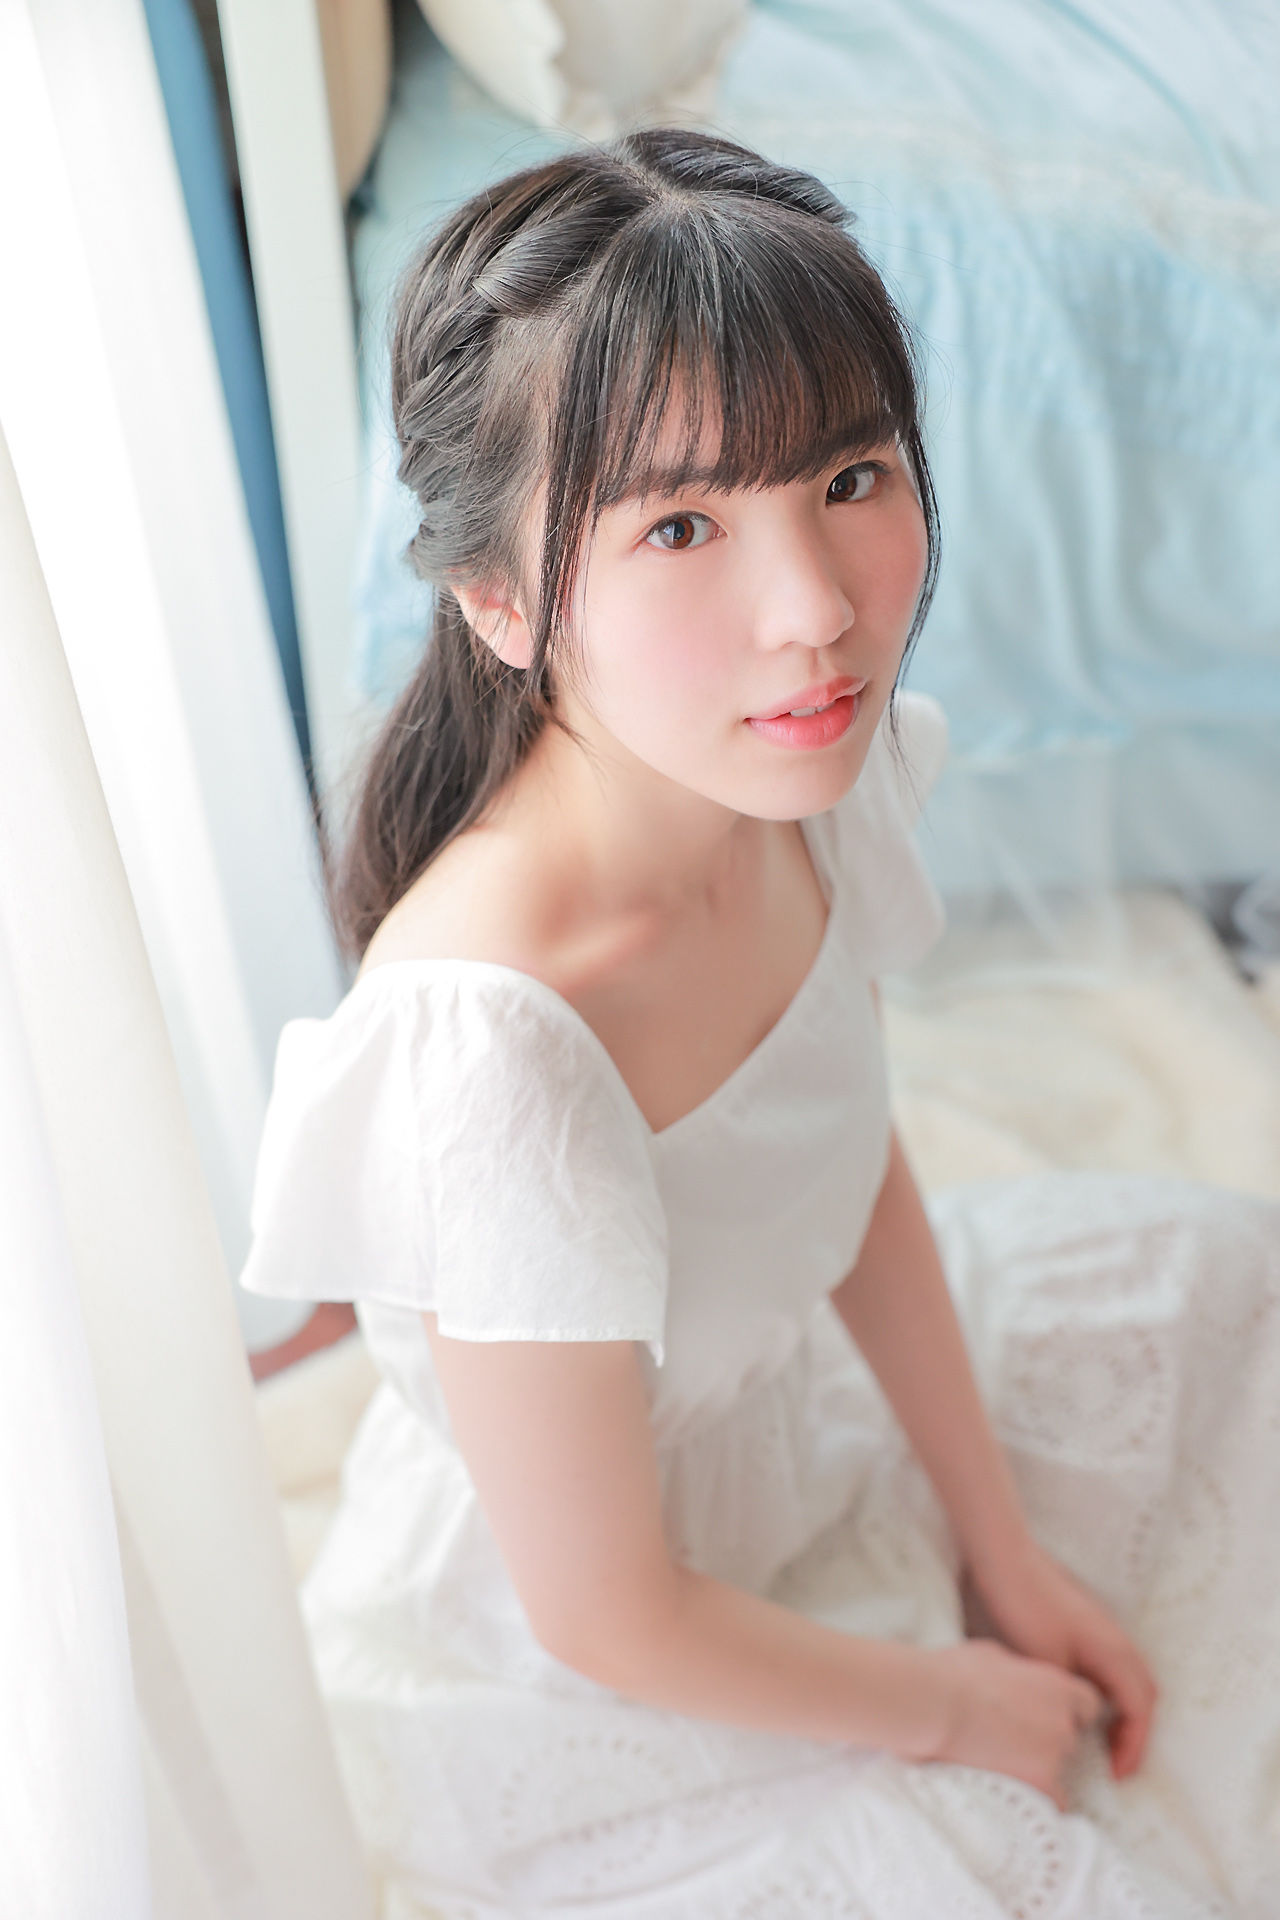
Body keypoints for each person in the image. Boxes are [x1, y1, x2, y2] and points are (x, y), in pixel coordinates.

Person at [241, 129, 1280, 1918]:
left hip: (782, 1431)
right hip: (600, 1659)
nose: (817, 613)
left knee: (1234, 1289)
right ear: (499, 601)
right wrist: (952, 1702)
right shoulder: (495, 1053)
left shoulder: (794, 776)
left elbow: (842, 1153)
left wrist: (1000, 1544)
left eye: (850, 476)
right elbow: (608, 1613)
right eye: (681, 525)